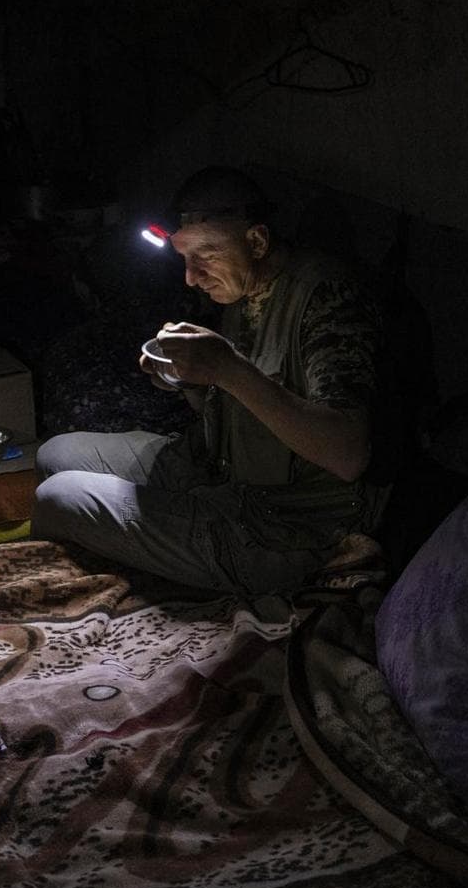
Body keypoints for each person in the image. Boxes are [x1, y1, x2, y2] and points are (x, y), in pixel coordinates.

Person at [31, 166, 388, 594]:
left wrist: (227, 368)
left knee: (58, 497)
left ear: (256, 240)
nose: (191, 276)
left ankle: (198, 557)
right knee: (57, 451)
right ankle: (174, 529)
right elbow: (233, 411)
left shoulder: (326, 299)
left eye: (205, 254)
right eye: (183, 257)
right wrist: (191, 382)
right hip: (216, 472)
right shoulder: (242, 287)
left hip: (285, 527)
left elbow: (348, 454)